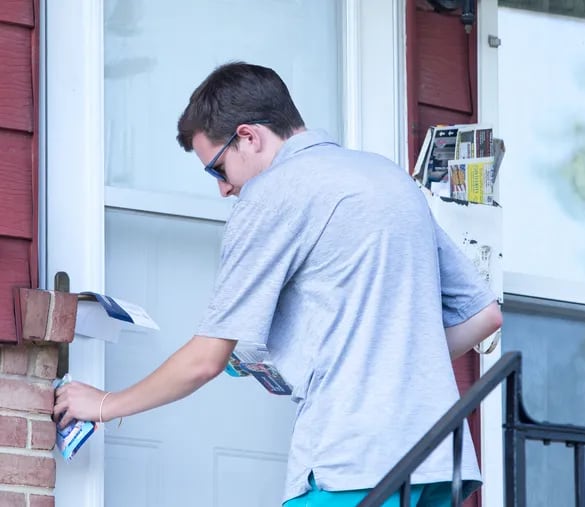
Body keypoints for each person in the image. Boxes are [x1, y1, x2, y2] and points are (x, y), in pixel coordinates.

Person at [53, 62, 502, 506]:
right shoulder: (391, 180)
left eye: (217, 169)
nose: (224, 190)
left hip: (351, 463)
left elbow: (205, 360)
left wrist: (104, 404)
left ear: (248, 137)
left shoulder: (274, 191)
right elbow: (485, 315)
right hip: (439, 459)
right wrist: (375, 357)